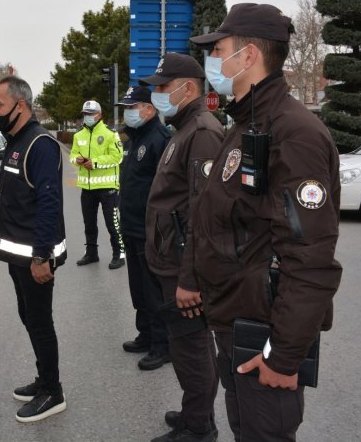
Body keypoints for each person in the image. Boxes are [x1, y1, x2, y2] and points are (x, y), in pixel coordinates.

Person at [189, 3, 342, 441]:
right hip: (235, 320)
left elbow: (310, 259)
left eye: (217, 50)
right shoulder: (246, 123)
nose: (212, 61)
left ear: (249, 55)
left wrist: (283, 356)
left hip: (264, 334)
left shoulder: (294, 132)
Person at [140, 53, 224, 442]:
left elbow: (202, 214)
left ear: (187, 87)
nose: (156, 93)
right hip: (171, 261)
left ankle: (199, 426)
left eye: (161, 87)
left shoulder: (202, 132)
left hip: (182, 268)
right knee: (188, 345)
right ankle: (196, 411)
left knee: (192, 348)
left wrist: (190, 278)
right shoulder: (185, 128)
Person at [0, 76, 68, 423]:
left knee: (39, 322)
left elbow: (48, 205)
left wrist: (41, 256)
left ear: (20, 106)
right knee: (29, 317)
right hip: (18, 255)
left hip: (34, 258)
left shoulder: (39, 144)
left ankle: (53, 392)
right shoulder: (16, 140)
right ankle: (43, 380)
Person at [117, 86, 172, 371]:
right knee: (138, 288)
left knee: (153, 290)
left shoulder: (159, 139)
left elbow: (166, 189)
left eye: (133, 107)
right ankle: (146, 334)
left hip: (149, 230)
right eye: (126, 107)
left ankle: (163, 345)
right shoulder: (133, 139)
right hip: (131, 226)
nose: (128, 112)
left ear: (149, 109)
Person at [69, 100, 125, 269]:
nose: (87, 117)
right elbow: (72, 155)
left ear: (99, 115)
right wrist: (77, 160)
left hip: (107, 187)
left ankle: (119, 254)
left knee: (112, 223)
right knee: (89, 224)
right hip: (87, 189)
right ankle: (92, 253)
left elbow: (117, 157)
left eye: (90, 114)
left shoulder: (110, 133)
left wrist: (95, 163)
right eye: (85, 114)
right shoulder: (78, 135)